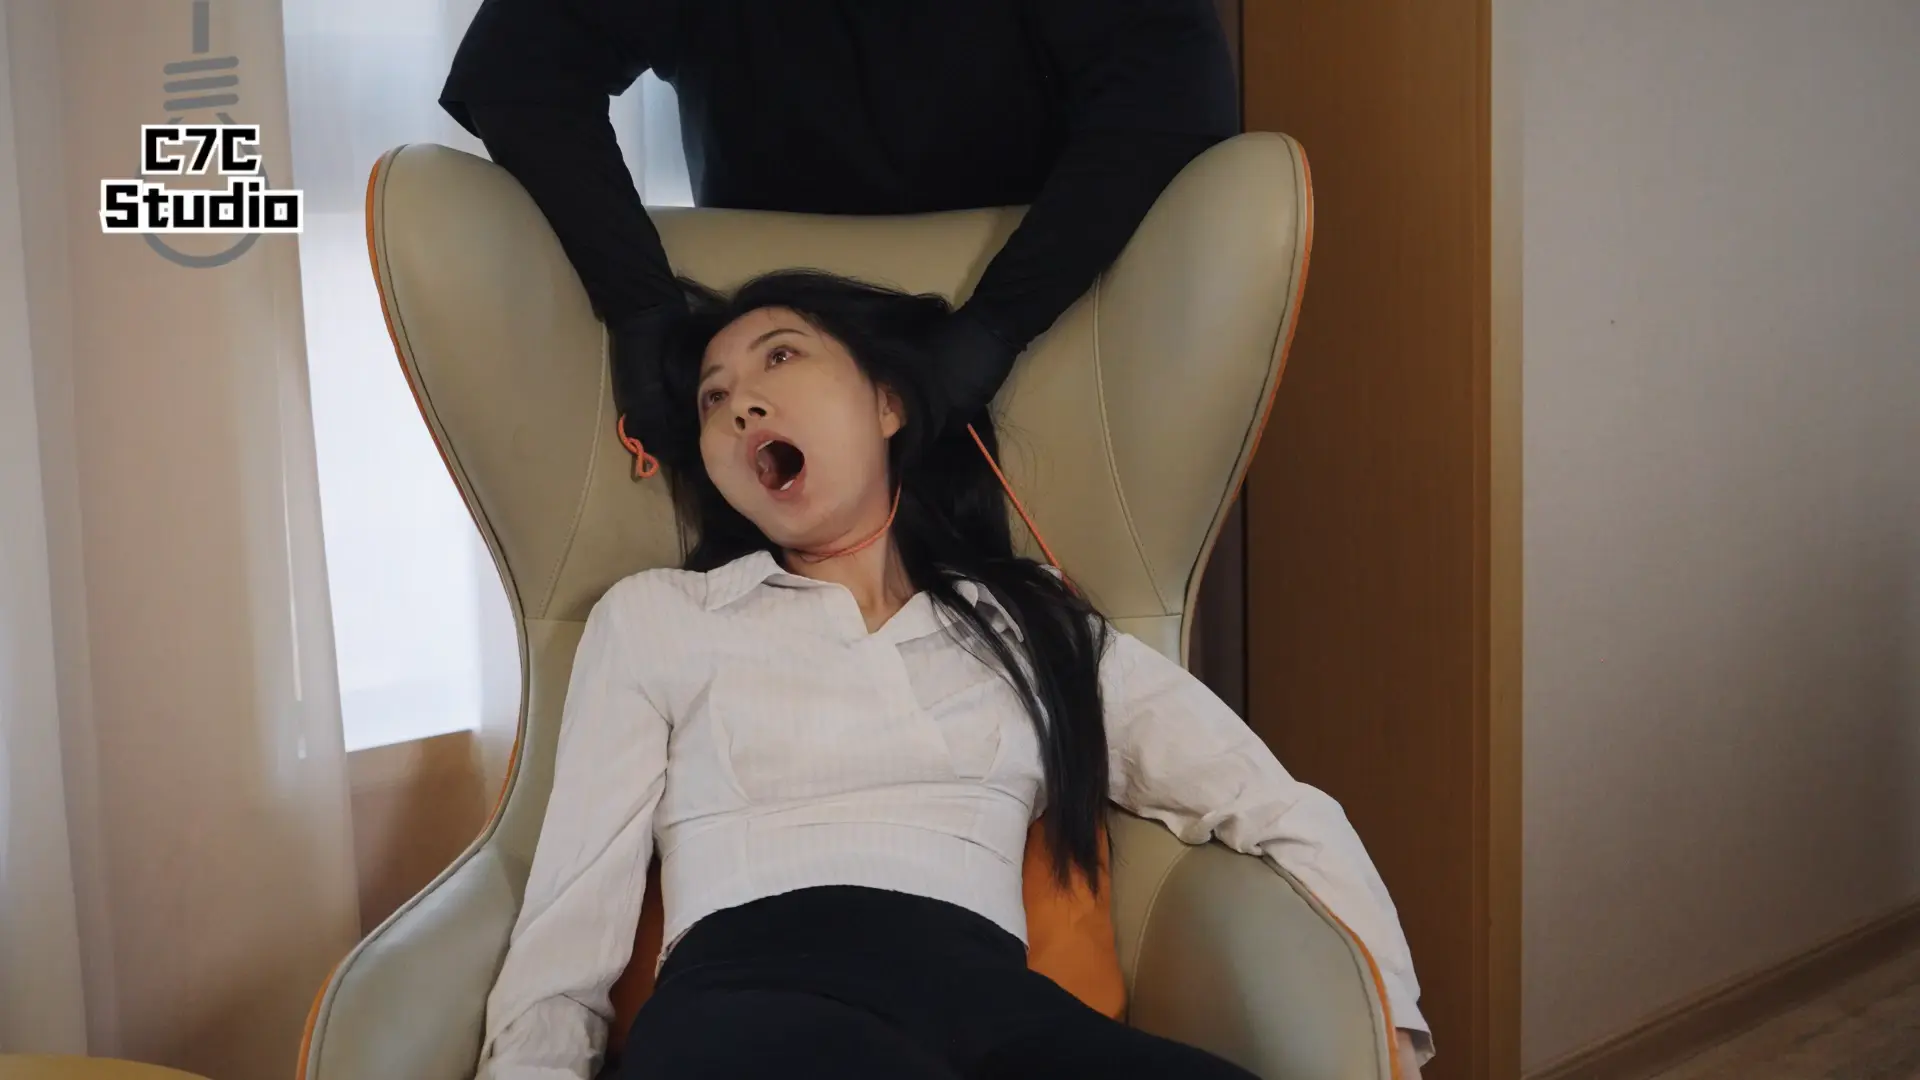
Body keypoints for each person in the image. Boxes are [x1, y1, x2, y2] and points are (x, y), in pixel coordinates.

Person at [475, 271, 1433, 1080]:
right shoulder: (658, 616)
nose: (741, 406)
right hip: (751, 996)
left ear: (888, 405)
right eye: (712, 400)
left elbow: (1265, 799)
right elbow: (571, 917)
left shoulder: (1031, 622)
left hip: (991, 1004)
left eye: (780, 357)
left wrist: (1389, 1028)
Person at [438, 0, 1242, 449]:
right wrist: (641, 308)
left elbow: (1171, 98)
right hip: (766, 342)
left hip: (1040, 327)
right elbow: (519, 73)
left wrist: (999, 325)